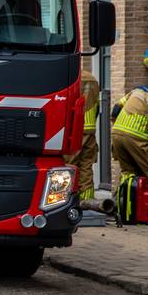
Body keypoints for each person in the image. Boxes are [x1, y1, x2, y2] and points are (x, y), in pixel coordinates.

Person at [111, 49, 148, 177]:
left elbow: (116, 109)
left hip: (116, 133)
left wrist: (117, 125)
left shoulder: (138, 90)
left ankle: (124, 197)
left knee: (128, 173)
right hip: (136, 138)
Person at [65, 69, 100, 201]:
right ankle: (87, 201)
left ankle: (66, 199)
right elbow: (97, 106)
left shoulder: (69, 77)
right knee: (86, 165)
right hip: (90, 128)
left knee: (69, 165)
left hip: (73, 128)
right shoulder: (92, 79)